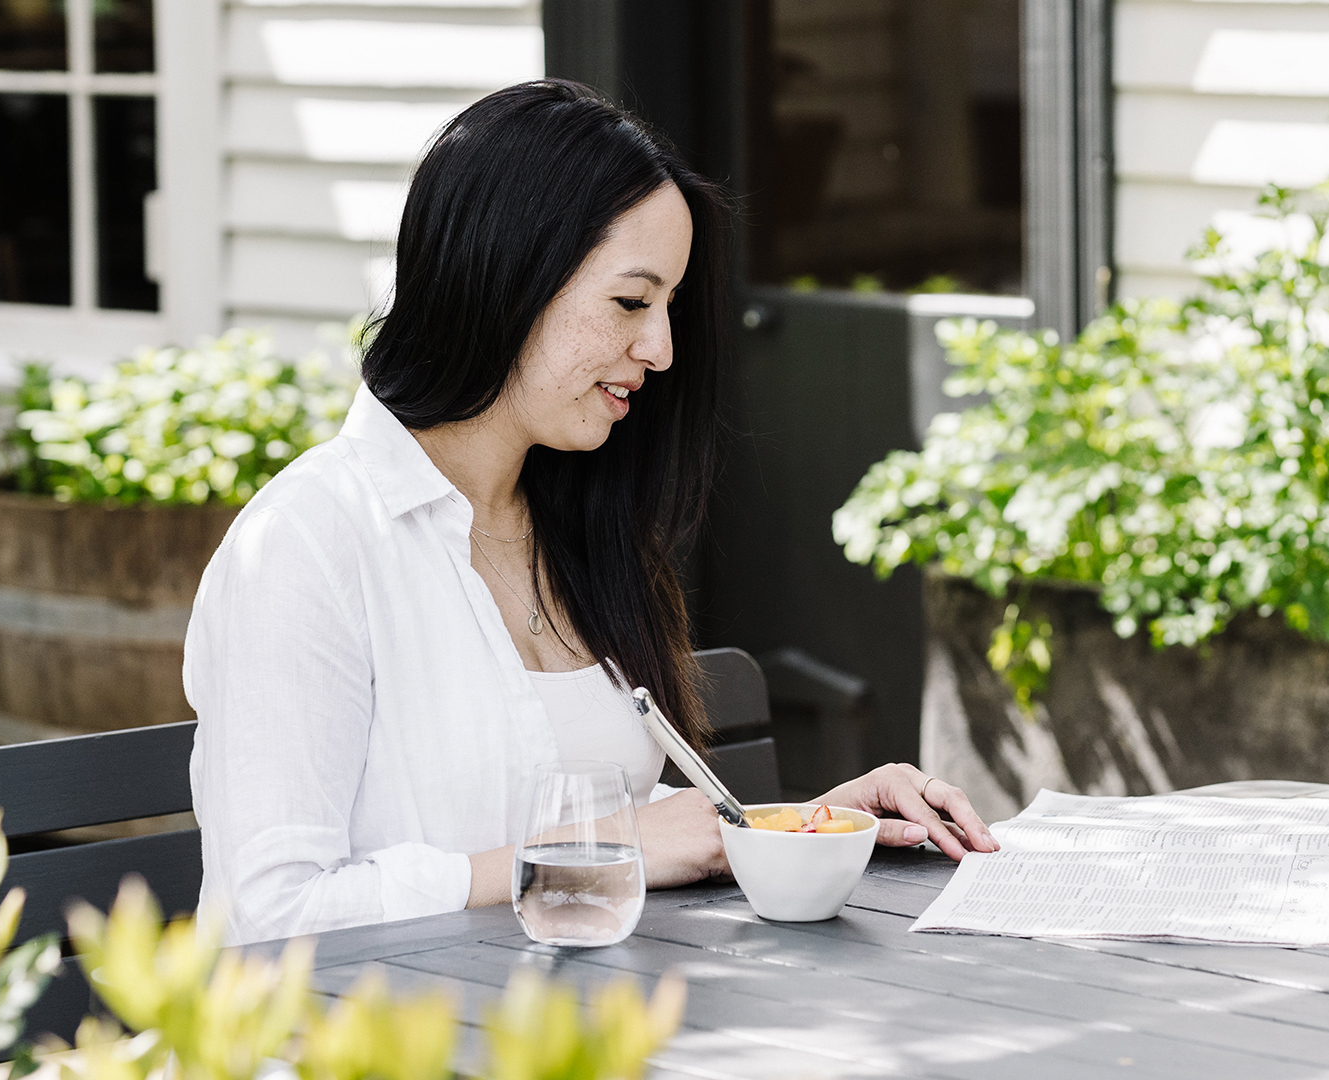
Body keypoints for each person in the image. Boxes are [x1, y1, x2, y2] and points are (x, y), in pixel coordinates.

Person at [185, 80, 997, 947]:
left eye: (669, 308)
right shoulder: (308, 544)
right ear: (503, 276)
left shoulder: (577, 523)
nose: (660, 350)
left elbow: (607, 808)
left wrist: (805, 829)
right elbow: (268, 913)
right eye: (629, 302)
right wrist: (600, 850)